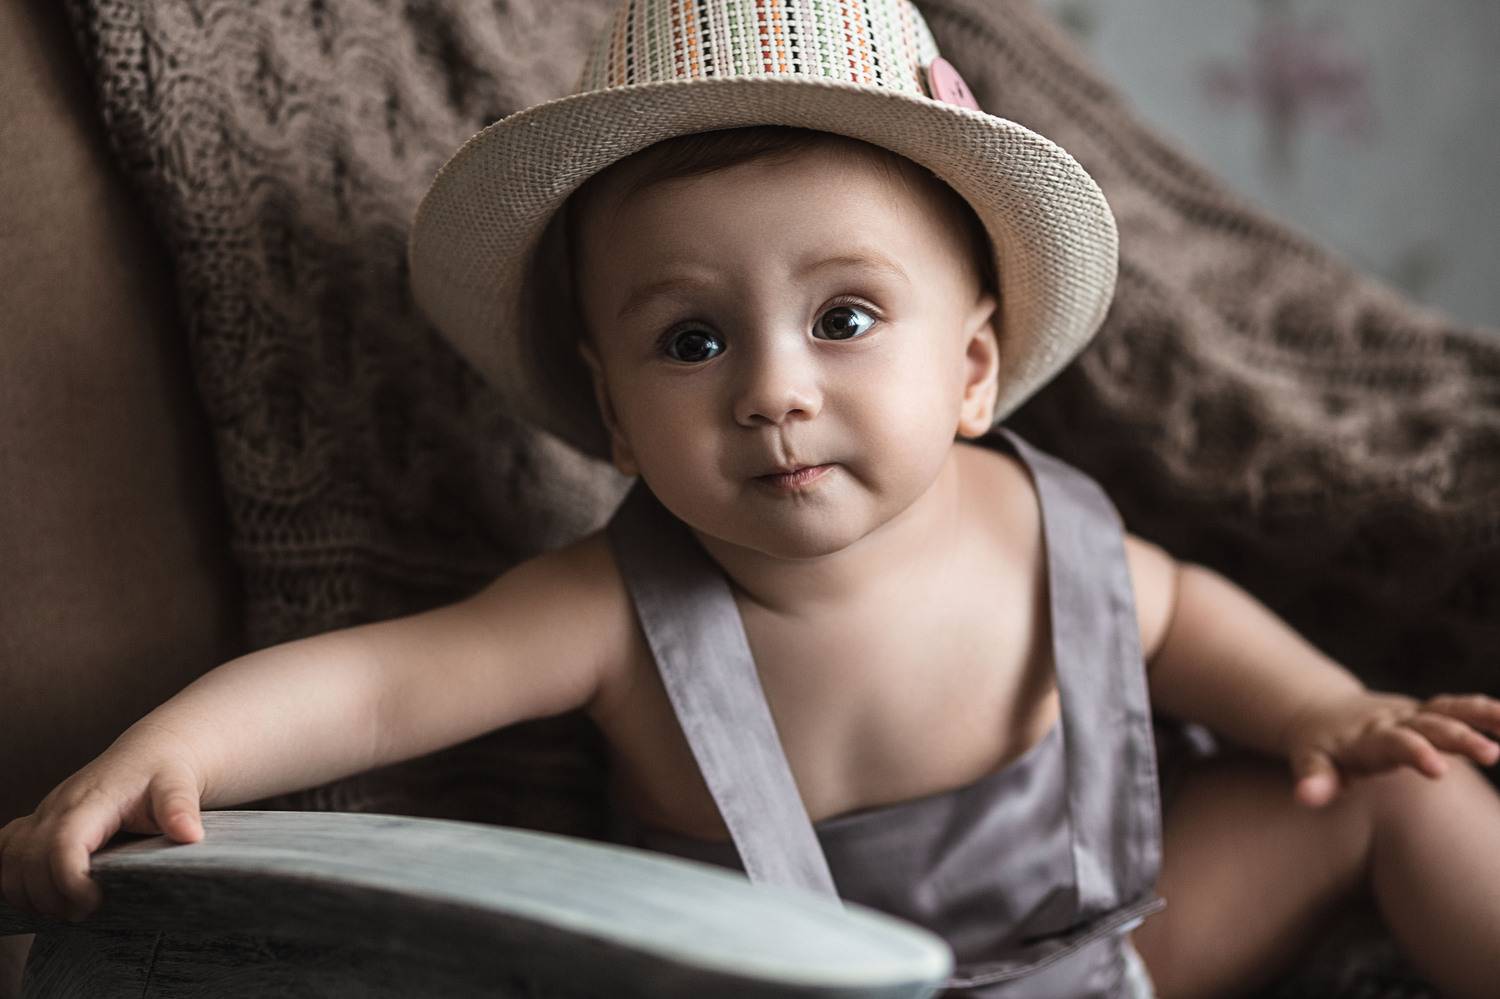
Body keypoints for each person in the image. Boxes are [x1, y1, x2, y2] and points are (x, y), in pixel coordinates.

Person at [3, 1, 1499, 995]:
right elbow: (384, 688)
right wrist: (176, 743)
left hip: (1114, 947)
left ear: (972, 372)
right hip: (789, 981)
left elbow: (1182, 617)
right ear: (611, 412)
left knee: (1406, 799)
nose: (771, 389)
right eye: (692, 340)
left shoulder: (1031, 524)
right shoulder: (607, 609)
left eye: (845, 320)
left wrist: (1317, 711)